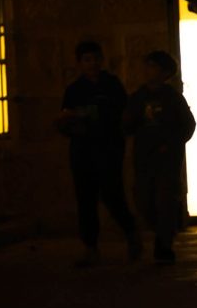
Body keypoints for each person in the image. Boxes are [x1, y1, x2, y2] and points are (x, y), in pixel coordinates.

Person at [57, 39, 139, 266]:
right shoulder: (74, 90)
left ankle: (130, 231)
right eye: (87, 60)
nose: (92, 64)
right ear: (79, 63)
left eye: (95, 59)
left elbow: (124, 113)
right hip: (82, 150)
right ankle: (90, 247)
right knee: (85, 198)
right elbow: (65, 118)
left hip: (109, 148)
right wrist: (73, 121)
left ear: (101, 60)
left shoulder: (112, 85)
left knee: (112, 194)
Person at [124, 50, 195, 264]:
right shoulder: (138, 97)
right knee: (144, 200)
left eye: (153, 66)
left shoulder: (173, 98)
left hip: (167, 159)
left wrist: (171, 144)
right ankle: (160, 231)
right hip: (144, 158)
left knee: (165, 200)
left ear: (164, 72)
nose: (148, 70)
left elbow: (188, 125)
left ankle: (164, 244)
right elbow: (127, 125)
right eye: (147, 65)